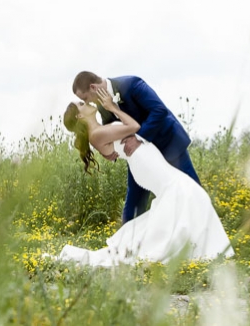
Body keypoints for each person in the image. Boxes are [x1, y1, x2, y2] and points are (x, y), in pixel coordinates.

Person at [57, 94, 234, 267]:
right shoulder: (97, 133)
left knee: (187, 192)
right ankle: (201, 249)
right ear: (80, 115)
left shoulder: (99, 131)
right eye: (81, 104)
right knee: (184, 190)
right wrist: (113, 108)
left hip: (144, 159)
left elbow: (115, 148)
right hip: (144, 162)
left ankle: (201, 247)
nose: (86, 103)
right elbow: (133, 126)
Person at [72, 71, 199, 223]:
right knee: (134, 203)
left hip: (167, 143)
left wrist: (138, 138)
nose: (89, 103)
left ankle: (203, 229)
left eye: (85, 98)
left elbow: (159, 110)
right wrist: (109, 151)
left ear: (93, 87)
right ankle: (129, 243)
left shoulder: (131, 84)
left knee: (193, 189)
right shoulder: (101, 106)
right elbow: (110, 130)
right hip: (140, 157)